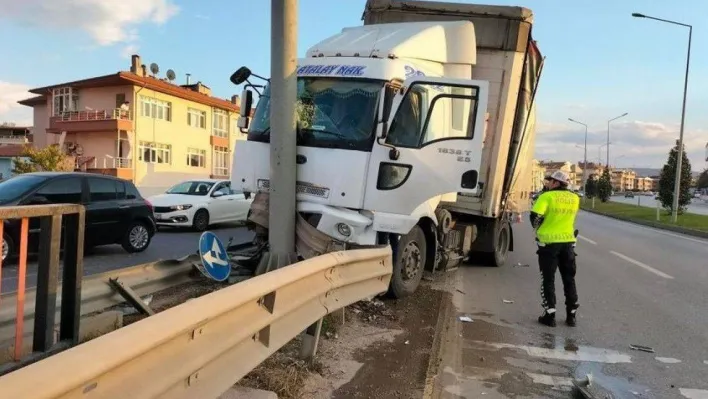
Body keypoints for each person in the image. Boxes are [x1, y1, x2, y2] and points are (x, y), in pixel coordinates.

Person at [529, 170, 580, 327]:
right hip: (568, 243)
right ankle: (571, 315)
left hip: (548, 244)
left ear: (557, 183)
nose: (548, 183)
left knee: (548, 280)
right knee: (569, 279)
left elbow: (535, 217)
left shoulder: (546, 196)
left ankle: (549, 315)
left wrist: (538, 229)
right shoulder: (574, 198)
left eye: (550, 181)